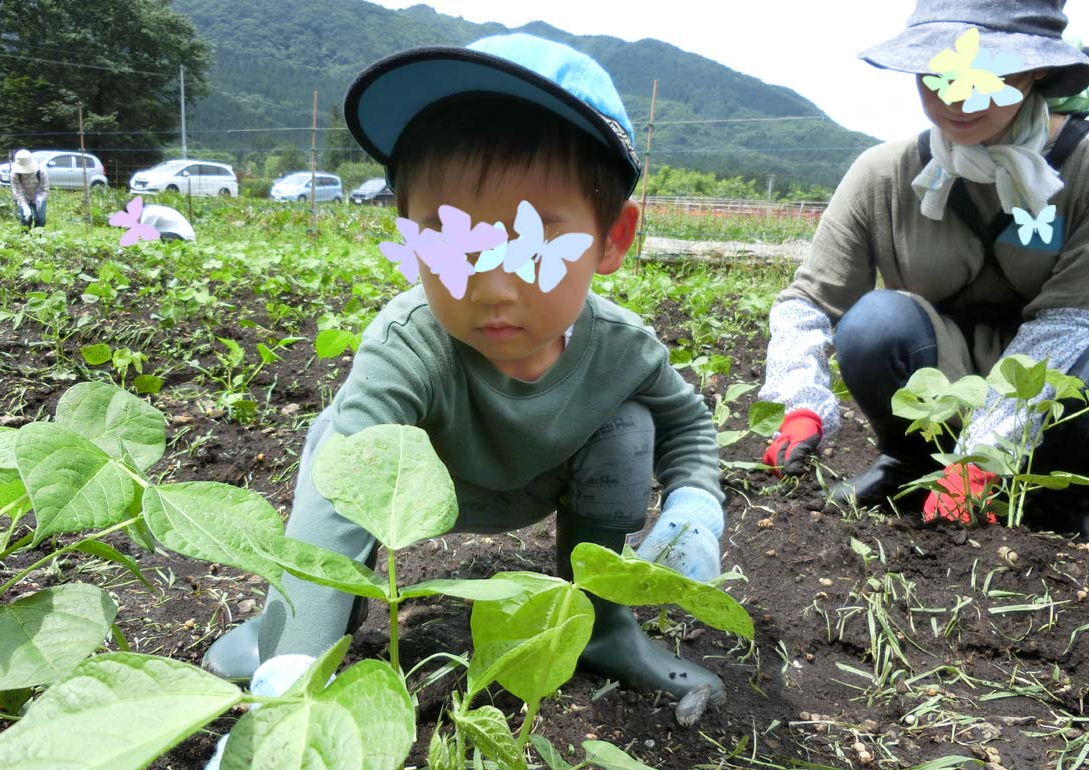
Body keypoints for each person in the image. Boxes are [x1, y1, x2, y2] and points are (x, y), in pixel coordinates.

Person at [203, 33, 728, 712]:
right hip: (417, 491)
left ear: (612, 238)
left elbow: (687, 427)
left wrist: (694, 507)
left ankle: (596, 622)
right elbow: (336, 500)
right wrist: (290, 675)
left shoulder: (623, 347)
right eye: (450, 240)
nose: (493, 285)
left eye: (531, 242)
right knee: (339, 444)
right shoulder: (408, 343)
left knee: (629, 425)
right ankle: (309, 624)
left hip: (539, 481)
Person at [758, 0, 1089, 539]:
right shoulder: (885, 173)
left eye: (983, 75)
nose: (955, 100)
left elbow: (1069, 323)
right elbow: (809, 303)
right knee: (874, 325)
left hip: (1055, 384)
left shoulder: (1081, 169)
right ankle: (910, 464)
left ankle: (1065, 499)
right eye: (937, 74)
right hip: (946, 375)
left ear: (1035, 72)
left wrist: (987, 451)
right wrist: (801, 404)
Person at [9, 149, 47, 230]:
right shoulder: (14, 174)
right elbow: (17, 191)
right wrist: (25, 206)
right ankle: (25, 239)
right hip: (24, 197)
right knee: (25, 220)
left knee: (41, 219)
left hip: (39, 196)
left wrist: (40, 199)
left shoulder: (41, 172)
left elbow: (45, 189)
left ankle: (39, 238)